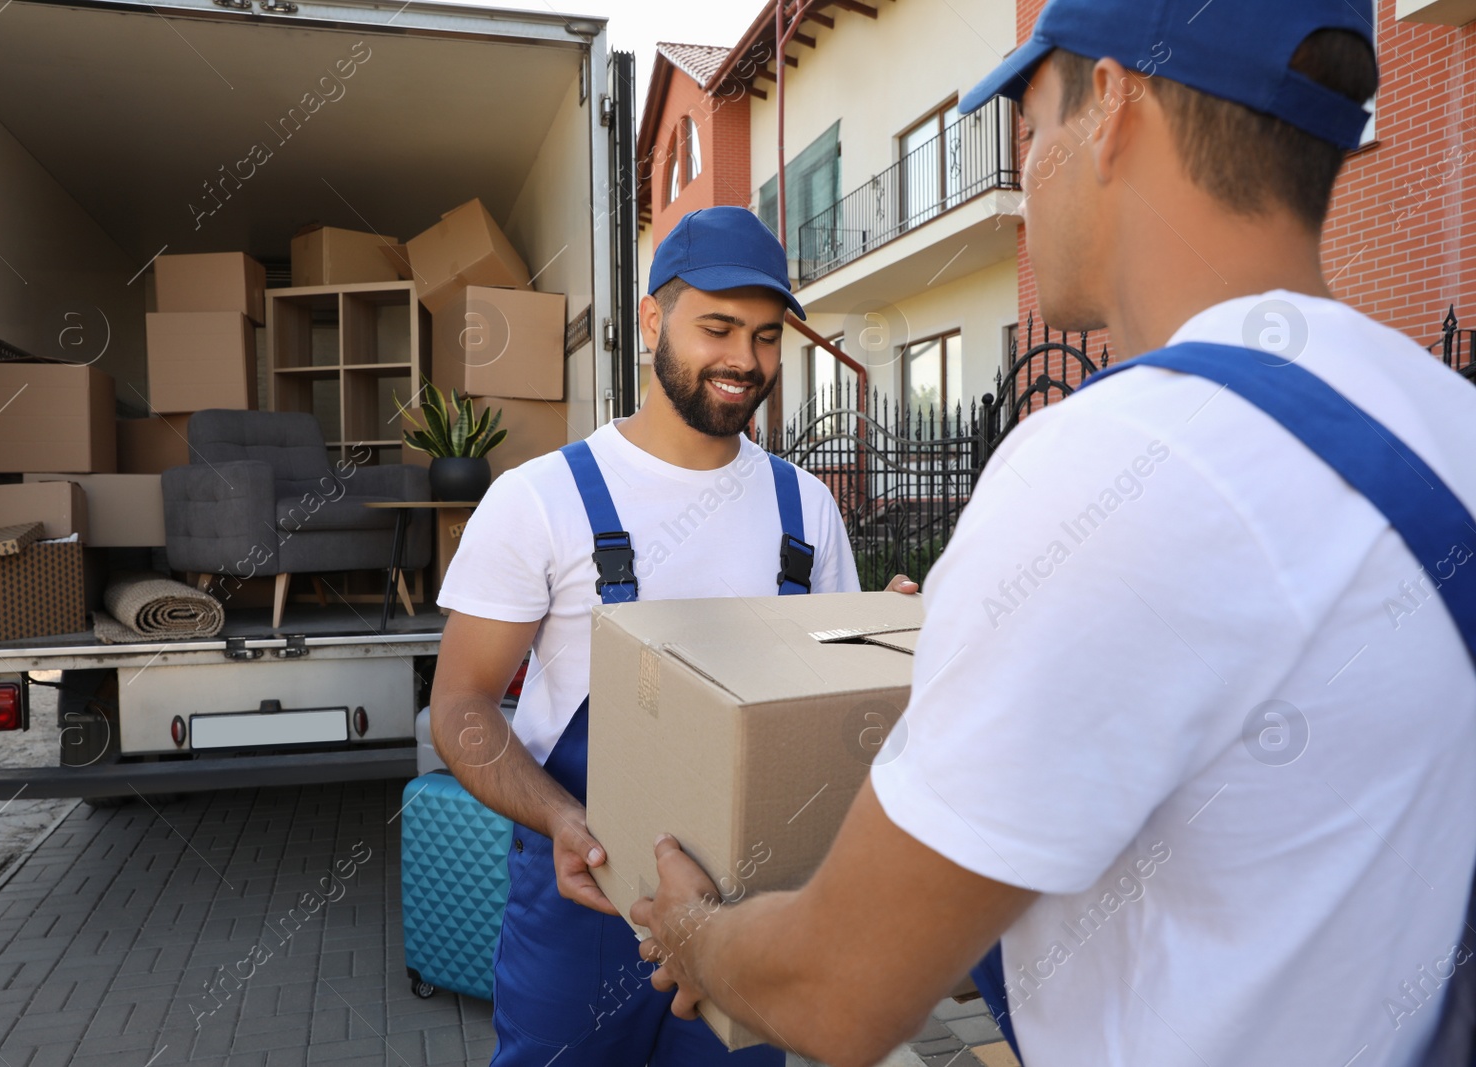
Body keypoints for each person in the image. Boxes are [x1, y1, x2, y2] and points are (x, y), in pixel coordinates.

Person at [630, 2, 1476, 1065]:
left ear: (1113, 103)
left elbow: (837, 993)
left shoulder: (1113, 465)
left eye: (1029, 126)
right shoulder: (1446, 423)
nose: (1027, 172)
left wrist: (694, 933)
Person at [430, 206, 915, 1065]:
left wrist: (892, 637)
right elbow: (461, 706)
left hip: (749, 914)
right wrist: (564, 820)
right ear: (653, 320)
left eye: (767, 338)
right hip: (583, 896)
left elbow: (830, 695)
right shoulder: (542, 499)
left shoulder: (805, 507)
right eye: (718, 327)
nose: (745, 361)